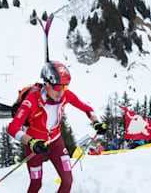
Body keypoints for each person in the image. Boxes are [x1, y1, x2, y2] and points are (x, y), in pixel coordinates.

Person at [7, 61, 107, 193]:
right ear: (47, 84)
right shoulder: (31, 100)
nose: (61, 92)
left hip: (56, 142)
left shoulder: (65, 95)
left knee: (67, 181)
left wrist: (96, 122)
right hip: (35, 147)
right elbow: (12, 128)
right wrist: (31, 142)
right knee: (36, 184)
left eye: (64, 87)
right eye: (58, 87)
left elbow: (87, 108)